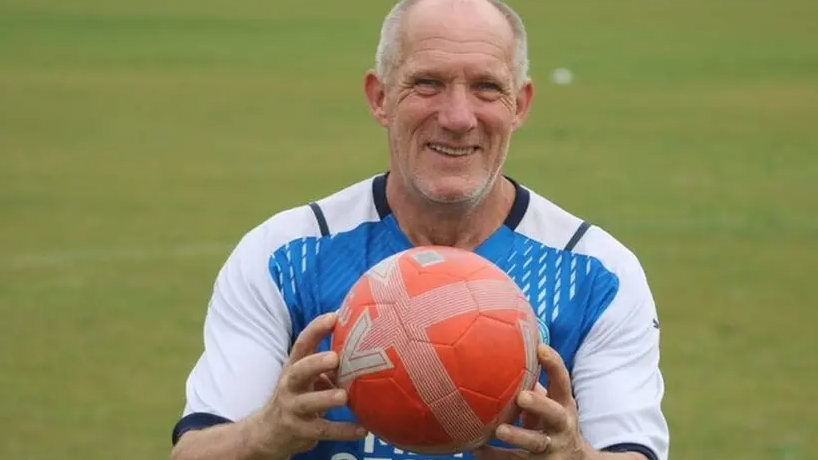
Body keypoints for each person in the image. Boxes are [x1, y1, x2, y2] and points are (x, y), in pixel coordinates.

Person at [169, 0, 670, 459]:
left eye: (487, 87)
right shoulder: (285, 256)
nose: (457, 117)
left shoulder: (596, 274)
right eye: (427, 83)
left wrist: (574, 456)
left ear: (520, 105)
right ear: (380, 96)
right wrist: (264, 433)